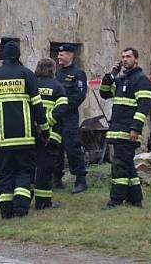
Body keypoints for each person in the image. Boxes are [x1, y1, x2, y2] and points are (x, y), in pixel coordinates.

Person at [0, 41, 49, 219]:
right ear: (18, 55)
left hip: (3, 139)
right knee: (24, 172)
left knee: (5, 174)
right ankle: (20, 210)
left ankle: (6, 212)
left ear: (3, 56)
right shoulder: (27, 74)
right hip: (25, 138)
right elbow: (37, 105)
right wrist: (44, 130)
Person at [99, 47, 151, 209]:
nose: (124, 59)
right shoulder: (121, 80)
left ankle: (116, 199)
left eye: (128, 56)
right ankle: (135, 199)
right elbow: (105, 93)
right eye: (122, 57)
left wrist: (135, 128)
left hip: (128, 130)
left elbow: (144, 106)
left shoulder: (141, 79)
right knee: (127, 165)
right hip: (117, 129)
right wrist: (111, 75)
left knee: (119, 165)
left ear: (136, 59)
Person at [33, 58, 69, 209]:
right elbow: (61, 109)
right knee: (45, 169)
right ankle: (43, 203)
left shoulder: (32, 85)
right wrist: (46, 124)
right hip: (51, 136)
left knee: (29, 168)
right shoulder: (58, 87)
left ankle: (23, 199)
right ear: (53, 69)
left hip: (32, 134)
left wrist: (38, 125)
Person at [54, 44, 88, 194]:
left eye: (61, 55)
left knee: (72, 146)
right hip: (57, 118)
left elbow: (79, 96)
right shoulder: (58, 73)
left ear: (70, 55)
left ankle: (81, 180)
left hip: (69, 117)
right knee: (55, 147)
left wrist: (62, 108)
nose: (58, 57)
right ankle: (56, 178)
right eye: (58, 54)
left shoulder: (78, 73)